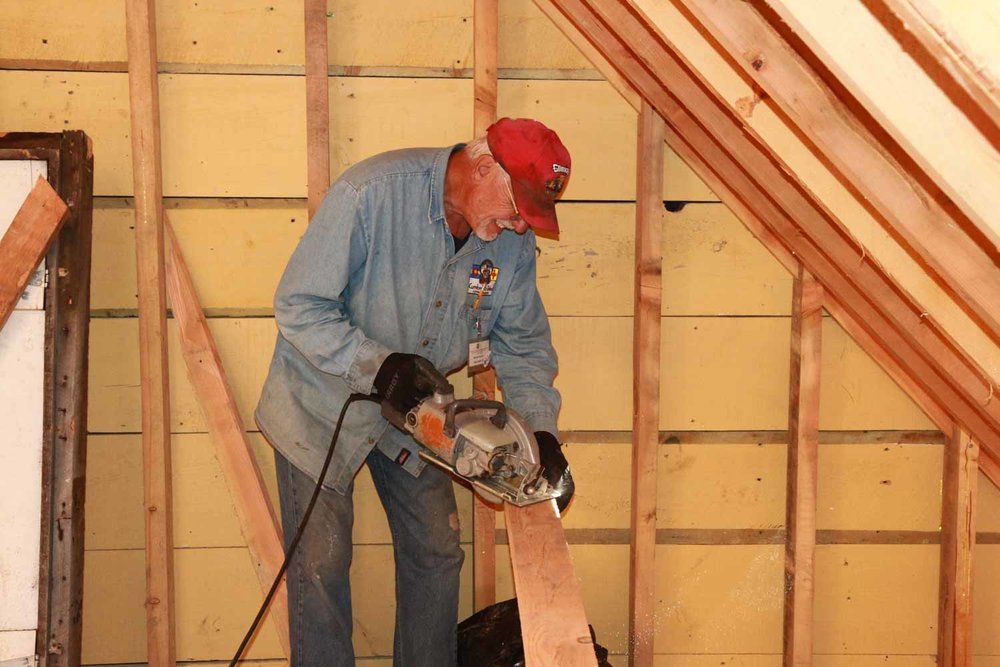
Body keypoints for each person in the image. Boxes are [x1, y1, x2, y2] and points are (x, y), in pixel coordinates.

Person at [255, 117, 575, 667]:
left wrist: (540, 433)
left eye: (528, 218)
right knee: (320, 565)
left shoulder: (511, 247)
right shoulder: (370, 194)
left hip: (417, 411)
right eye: (515, 209)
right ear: (482, 167)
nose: (520, 228)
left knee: (436, 552)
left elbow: (522, 346)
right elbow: (299, 305)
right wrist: (376, 367)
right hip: (321, 400)